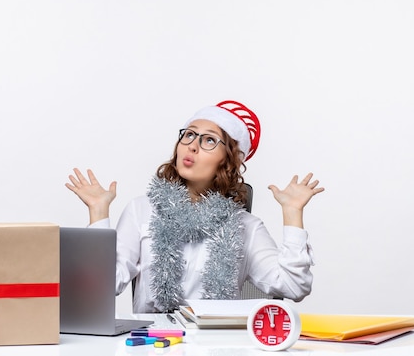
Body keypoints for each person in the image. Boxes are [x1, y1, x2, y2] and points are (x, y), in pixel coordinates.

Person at [65, 100, 324, 313]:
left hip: (217, 344)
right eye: (189, 135)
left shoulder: (246, 227)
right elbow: (101, 285)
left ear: (228, 160)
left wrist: (293, 215)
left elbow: (293, 287)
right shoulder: (141, 211)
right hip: (152, 344)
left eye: (209, 140)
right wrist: (98, 212)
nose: (192, 145)